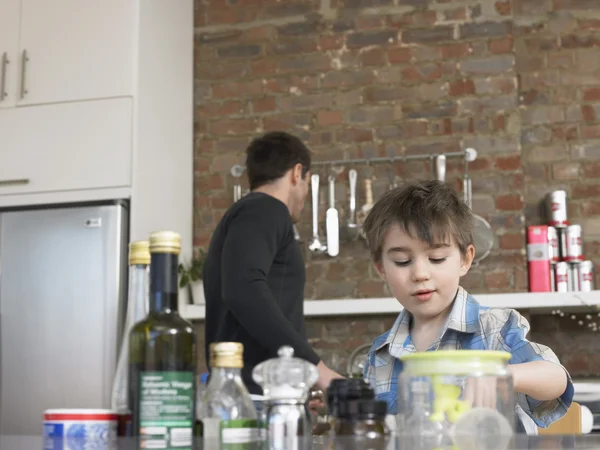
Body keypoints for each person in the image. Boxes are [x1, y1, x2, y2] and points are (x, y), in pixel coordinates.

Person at [361, 180, 573, 432]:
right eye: (402, 261)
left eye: (436, 258)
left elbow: (556, 378)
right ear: (381, 269)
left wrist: (504, 375)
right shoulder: (380, 354)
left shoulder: (495, 328)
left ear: (465, 259)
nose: (420, 273)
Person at [203, 131, 341, 397]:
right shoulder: (266, 210)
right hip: (256, 398)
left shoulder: (244, 215)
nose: (304, 195)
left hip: (253, 393)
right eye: (307, 183)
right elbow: (244, 289)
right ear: (297, 173)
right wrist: (318, 372)